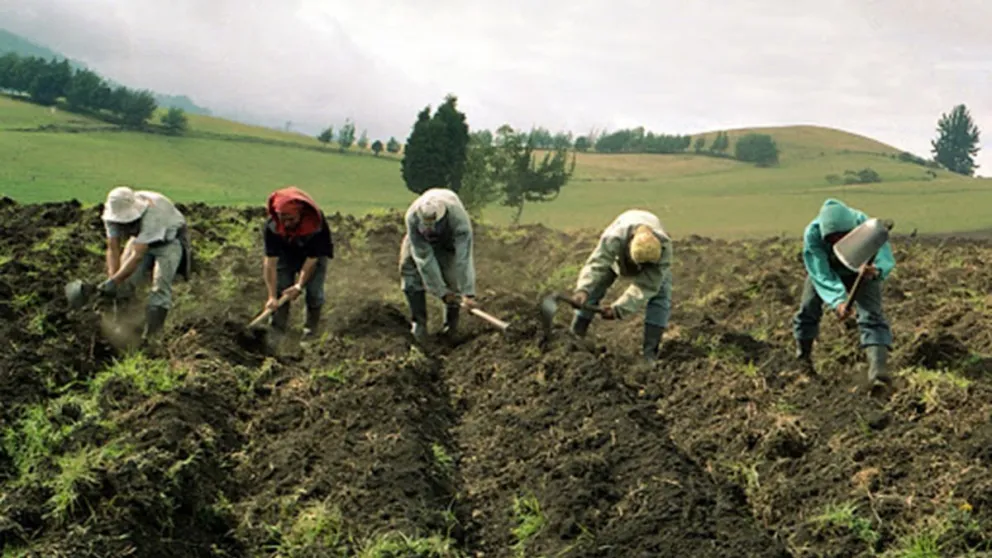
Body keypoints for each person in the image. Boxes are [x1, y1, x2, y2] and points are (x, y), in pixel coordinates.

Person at [792, 198, 895, 384]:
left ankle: (878, 371)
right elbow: (820, 272)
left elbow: (882, 254)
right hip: (829, 271)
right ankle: (803, 360)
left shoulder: (866, 225)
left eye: (844, 237)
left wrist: (876, 270)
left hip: (862, 271)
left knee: (872, 316)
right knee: (808, 309)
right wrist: (838, 301)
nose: (838, 241)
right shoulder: (813, 234)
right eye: (833, 239)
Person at [570, 209, 673, 362]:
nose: (640, 271)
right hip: (617, 258)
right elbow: (597, 264)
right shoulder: (614, 238)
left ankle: (650, 354)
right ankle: (576, 335)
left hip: (652, 264)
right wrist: (583, 289)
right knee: (595, 287)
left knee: (660, 297)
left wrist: (618, 309)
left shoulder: (664, 248)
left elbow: (647, 286)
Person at [98, 186, 191, 339]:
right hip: (139, 240)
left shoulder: (153, 213)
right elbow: (113, 248)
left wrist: (114, 281)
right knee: (125, 282)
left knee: (160, 285)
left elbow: (137, 256)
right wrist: (113, 279)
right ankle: (121, 326)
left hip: (168, 242)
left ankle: (152, 336)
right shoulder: (111, 217)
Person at [400, 187, 476, 342]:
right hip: (419, 241)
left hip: (448, 240)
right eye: (426, 223)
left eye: (433, 223)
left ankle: (451, 326)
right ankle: (419, 323)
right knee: (409, 269)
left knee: (451, 275)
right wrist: (441, 291)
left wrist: (467, 293)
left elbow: (464, 257)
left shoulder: (458, 219)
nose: (430, 228)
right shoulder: (412, 217)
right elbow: (424, 258)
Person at [262, 186, 334, 340]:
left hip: (312, 257)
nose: (287, 223)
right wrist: (271, 296)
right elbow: (270, 262)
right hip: (285, 255)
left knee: (314, 293)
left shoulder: (316, 224)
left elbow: (312, 259)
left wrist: (299, 286)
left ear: (300, 214)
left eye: (291, 219)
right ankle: (276, 332)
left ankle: (310, 332)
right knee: (281, 289)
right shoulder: (273, 226)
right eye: (283, 219)